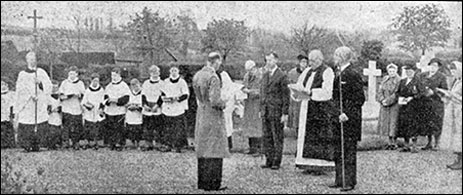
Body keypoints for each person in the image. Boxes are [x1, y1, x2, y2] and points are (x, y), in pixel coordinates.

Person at [292, 50, 336, 174]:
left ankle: (319, 166)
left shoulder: (327, 71)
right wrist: (297, 91)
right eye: (310, 60)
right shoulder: (307, 71)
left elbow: (328, 91)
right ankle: (307, 164)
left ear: (320, 60)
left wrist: (311, 93)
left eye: (313, 60)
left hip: (320, 108)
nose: (310, 63)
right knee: (306, 135)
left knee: (318, 137)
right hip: (306, 106)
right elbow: (300, 84)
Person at [330, 46, 365, 191]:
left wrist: (347, 114)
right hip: (338, 117)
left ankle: (349, 181)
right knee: (338, 150)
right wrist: (336, 112)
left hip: (349, 120)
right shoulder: (338, 73)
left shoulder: (353, 74)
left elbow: (359, 98)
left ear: (343, 57)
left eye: (336, 55)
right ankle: (339, 179)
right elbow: (335, 97)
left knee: (349, 151)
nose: (334, 58)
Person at [192, 52, 229, 191]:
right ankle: (213, 183)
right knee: (215, 147)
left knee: (203, 147)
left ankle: (202, 182)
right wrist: (224, 103)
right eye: (219, 62)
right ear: (216, 62)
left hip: (201, 112)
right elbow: (215, 100)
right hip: (213, 115)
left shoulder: (197, 75)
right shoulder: (213, 77)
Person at [14, 51, 52, 152]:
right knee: (27, 122)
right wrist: (30, 95)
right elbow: (20, 89)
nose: (32, 61)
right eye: (30, 59)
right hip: (27, 103)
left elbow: (49, 86)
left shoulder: (41, 72)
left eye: (34, 59)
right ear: (26, 60)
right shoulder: (22, 74)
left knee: (39, 121)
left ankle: (38, 145)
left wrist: (40, 84)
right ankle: (26, 145)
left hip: (39, 102)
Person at [260, 52, 290, 170]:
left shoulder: (282, 76)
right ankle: (269, 159)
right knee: (267, 136)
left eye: (271, 60)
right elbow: (263, 92)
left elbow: (285, 96)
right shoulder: (265, 75)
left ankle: (276, 161)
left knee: (277, 136)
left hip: (277, 110)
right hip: (266, 110)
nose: (269, 62)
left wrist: (285, 113)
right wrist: (261, 108)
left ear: (276, 60)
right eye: (267, 60)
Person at [415, 58, 448, 150]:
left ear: (438, 67)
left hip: (436, 104)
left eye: (435, 66)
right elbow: (418, 86)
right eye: (431, 65)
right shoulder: (423, 75)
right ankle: (429, 142)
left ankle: (437, 143)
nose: (433, 68)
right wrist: (422, 92)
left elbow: (445, 91)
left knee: (436, 122)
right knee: (427, 123)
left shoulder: (442, 77)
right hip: (425, 102)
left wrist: (434, 92)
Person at [438, 61, 461, 170]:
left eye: (454, 71)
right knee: (456, 134)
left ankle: (460, 161)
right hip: (454, 111)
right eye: (451, 71)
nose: (453, 73)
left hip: (460, 111)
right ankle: (458, 159)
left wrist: (452, 95)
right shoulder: (457, 82)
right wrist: (445, 95)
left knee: (460, 135)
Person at [161, 65, 190, 153]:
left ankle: (178, 146)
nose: (173, 72)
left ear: (178, 71)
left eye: (175, 70)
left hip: (178, 107)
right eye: (172, 70)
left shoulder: (182, 82)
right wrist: (165, 98)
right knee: (167, 127)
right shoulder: (166, 81)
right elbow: (162, 93)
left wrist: (176, 98)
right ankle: (168, 145)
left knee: (178, 128)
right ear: (170, 71)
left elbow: (185, 95)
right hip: (168, 107)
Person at [396, 65, 422, 153]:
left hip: (414, 107)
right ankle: (406, 145)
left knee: (413, 125)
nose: (408, 73)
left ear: (414, 72)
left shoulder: (417, 81)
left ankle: (414, 146)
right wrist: (400, 98)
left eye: (410, 71)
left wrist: (413, 97)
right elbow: (398, 92)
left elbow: (421, 93)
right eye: (407, 71)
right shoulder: (402, 81)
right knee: (404, 124)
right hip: (403, 106)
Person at [104, 67, 130, 151]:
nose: (113, 77)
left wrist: (117, 100)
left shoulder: (124, 86)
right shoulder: (109, 86)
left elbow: (126, 98)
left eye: (115, 75)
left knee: (119, 127)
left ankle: (120, 143)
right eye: (112, 75)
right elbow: (105, 98)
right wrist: (108, 101)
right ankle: (112, 143)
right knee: (111, 127)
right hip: (110, 110)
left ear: (119, 75)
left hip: (119, 110)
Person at [59, 66, 85, 150]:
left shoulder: (80, 83)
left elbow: (84, 96)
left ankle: (75, 142)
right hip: (66, 108)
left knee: (76, 127)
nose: (71, 75)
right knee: (66, 126)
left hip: (76, 108)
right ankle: (65, 142)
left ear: (77, 74)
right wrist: (68, 96)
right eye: (70, 74)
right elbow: (61, 95)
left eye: (73, 74)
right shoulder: (64, 83)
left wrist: (79, 95)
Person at [242, 60, 264, 155]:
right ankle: (251, 147)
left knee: (257, 125)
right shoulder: (246, 76)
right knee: (249, 125)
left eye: (251, 70)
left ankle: (259, 148)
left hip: (257, 103)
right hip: (248, 103)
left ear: (255, 68)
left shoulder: (260, 76)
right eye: (248, 70)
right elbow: (243, 86)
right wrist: (243, 89)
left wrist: (250, 91)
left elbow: (262, 91)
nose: (249, 72)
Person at [377, 64, 401, 150]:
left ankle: (394, 142)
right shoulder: (385, 79)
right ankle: (389, 142)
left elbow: (397, 93)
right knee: (386, 123)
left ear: (396, 71)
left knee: (393, 123)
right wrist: (382, 99)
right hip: (384, 104)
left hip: (394, 105)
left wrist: (388, 101)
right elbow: (380, 90)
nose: (392, 73)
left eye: (393, 71)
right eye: (390, 71)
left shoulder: (399, 80)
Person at [141, 65, 164, 151]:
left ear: (159, 73)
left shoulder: (162, 83)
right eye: (153, 72)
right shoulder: (146, 83)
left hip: (157, 106)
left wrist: (157, 105)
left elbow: (163, 95)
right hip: (148, 106)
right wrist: (145, 105)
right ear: (150, 73)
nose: (155, 74)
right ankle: (148, 143)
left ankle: (158, 144)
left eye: (157, 72)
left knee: (158, 126)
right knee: (148, 126)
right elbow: (143, 95)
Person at [81, 73, 105, 150]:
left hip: (97, 110)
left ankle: (96, 143)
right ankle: (87, 142)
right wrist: (88, 106)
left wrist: (101, 108)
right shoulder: (88, 90)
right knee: (88, 127)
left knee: (96, 128)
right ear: (91, 81)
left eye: (97, 81)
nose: (95, 82)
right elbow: (84, 101)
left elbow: (103, 101)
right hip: (89, 111)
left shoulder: (101, 90)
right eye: (94, 81)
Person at [287, 54, 309, 134]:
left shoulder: (309, 72)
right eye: (302, 62)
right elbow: (289, 83)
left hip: (305, 95)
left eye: (306, 62)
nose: (304, 64)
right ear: (299, 62)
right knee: (296, 113)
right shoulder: (293, 72)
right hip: (296, 96)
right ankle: (296, 129)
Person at [126, 78, 144, 150]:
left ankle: (138, 143)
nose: (135, 88)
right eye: (133, 86)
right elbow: (127, 103)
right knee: (131, 129)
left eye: (136, 86)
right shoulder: (129, 94)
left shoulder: (142, 93)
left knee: (138, 129)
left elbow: (143, 105)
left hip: (138, 115)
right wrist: (129, 106)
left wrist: (137, 107)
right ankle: (132, 143)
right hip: (131, 115)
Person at [46, 82, 63, 150]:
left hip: (58, 116)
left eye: (56, 87)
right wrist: (52, 110)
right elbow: (48, 109)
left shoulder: (59, 97)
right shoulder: (49, 98)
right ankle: (50, 145)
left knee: (58, 131)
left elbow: (61, 106)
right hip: (51, 117)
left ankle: (57, 144)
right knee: (52, 131)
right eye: (53, 87)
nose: (54, 89)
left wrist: (59, 109)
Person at [1, 80, 15, 149]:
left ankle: (9, 143)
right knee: (4, 130)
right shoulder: (9, 96)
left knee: (7, 129)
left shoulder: (9, 95)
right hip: (4, 115)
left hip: (6, 115)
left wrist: (12, 114)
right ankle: (5, 144)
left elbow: (11, 106)